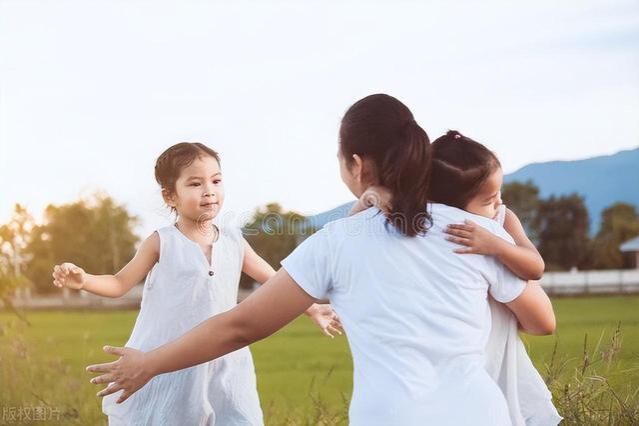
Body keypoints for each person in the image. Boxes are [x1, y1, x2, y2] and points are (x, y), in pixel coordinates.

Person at [86, 94, 556, 426]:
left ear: (356, 164)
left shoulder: (336, 242)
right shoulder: (473, 232)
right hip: (482, 415)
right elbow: (540, 322)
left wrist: (149, 364)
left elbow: (240, 327)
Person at [52, 142, 340, 425]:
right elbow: (118, 283)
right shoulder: (162, 241)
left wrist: (312, 307)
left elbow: (277, 283)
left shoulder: (234, 240)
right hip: (168, 363)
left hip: (226, 366)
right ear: (170, 196)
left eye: (216, 181)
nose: (209, 191)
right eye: (195, 184)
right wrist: (84, 280)